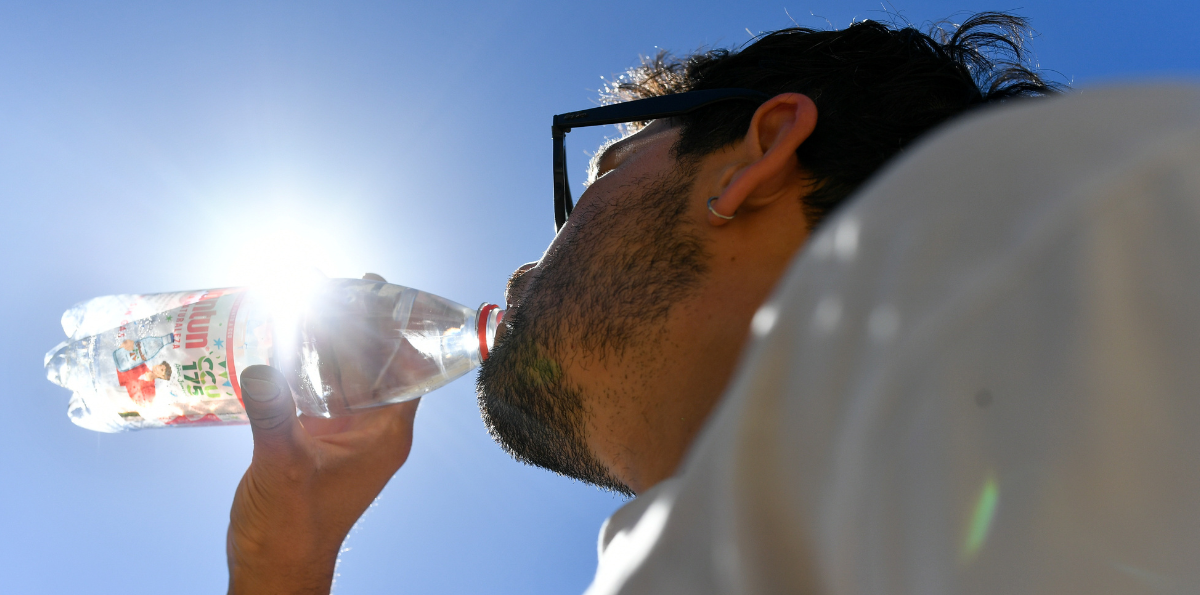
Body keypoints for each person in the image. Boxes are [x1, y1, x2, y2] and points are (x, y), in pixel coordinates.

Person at [226, 12, 1200, 593]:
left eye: (605, 167)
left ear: (756, 155)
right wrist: (284, 562)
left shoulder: (1105, 257)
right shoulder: (709, 549)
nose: (526, 270)